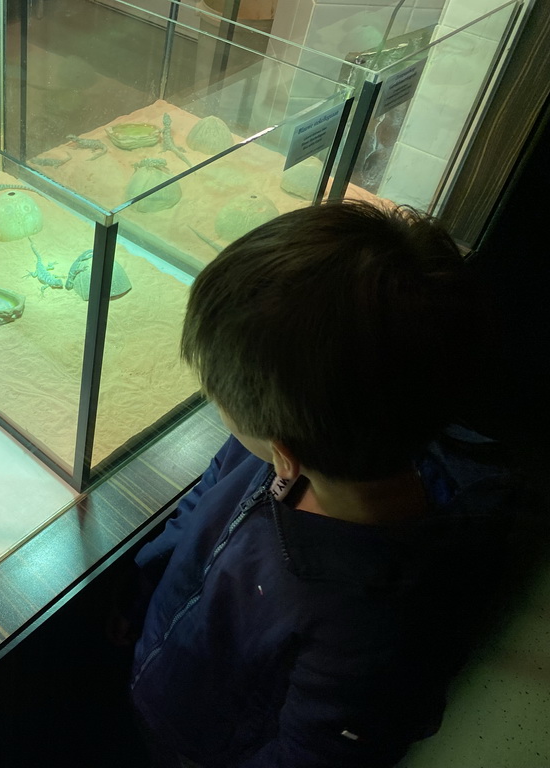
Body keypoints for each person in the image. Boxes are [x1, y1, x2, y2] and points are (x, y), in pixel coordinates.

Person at [129, 200, 519, 768]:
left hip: (205, 744)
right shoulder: (327, 429)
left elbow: (314, 755)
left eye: (220, 405)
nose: (223, 416)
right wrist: (148, 576)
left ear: (283, 458)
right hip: (170, 666)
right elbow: (210, 489)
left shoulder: (371, 628)